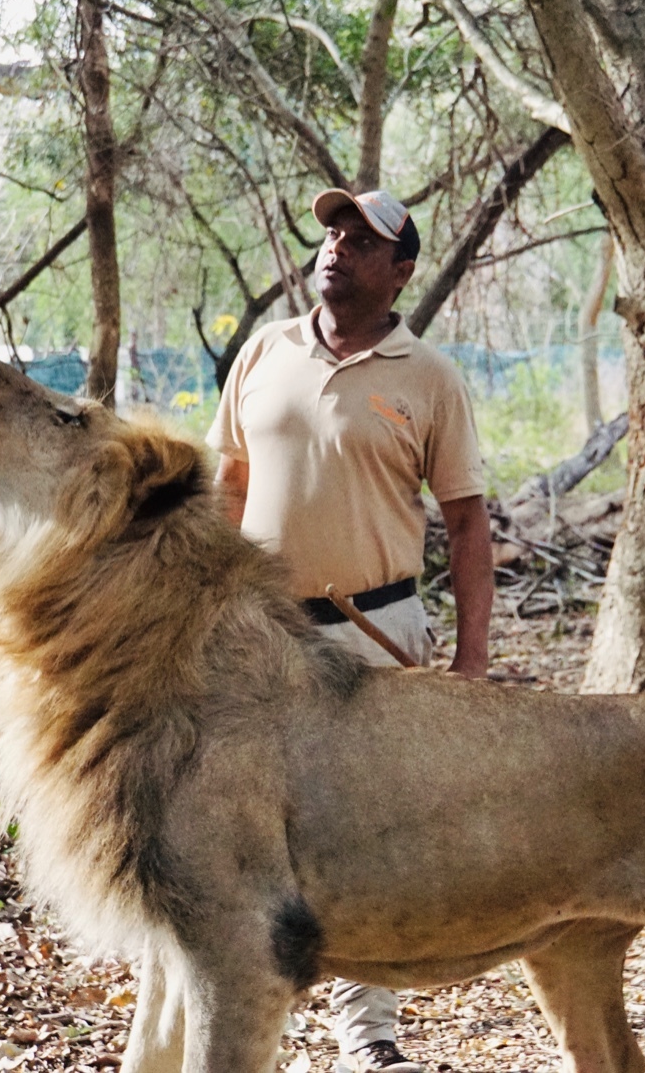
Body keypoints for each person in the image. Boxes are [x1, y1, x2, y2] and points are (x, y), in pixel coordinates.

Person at [207, 186, 495, 1073]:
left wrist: (473, 657)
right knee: (248, 821)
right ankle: (240, 1016)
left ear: (400, 270)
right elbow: (225, 486)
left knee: (364, 828)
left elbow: (469, 523)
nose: (337, 246)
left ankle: (368, 1034)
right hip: (260, 633)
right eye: (334, 230)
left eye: (363, 239)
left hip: (376, 630)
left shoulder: (428, 377)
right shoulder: (264, 352)